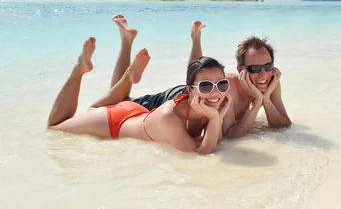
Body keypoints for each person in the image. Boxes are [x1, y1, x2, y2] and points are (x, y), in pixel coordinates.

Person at [108, 14, 291, 138]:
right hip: (178, 97)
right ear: (240, 68)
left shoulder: (270, 80)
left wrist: (265, 99)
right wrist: (256, 104)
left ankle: (195, 37)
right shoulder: (226, 85)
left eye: (268, 66)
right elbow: (230, 135)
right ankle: (126, 41)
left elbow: (283, 124)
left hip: (198, 90)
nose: (262, 74)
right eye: (254, 69)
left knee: (196, 76)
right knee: (117, 103)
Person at [46, 36, 232, 155]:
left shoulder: (208, 105)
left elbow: (216, 141)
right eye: (206, 86)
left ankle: (128, 76)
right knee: (54, 127)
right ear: (189, 89)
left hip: (137, 111)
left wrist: (218, 116)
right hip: (114, 122)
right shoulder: (170, 115)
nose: (216, 92)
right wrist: (216, 118)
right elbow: (200, 154)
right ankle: (79, 70)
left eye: (222, 84)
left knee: (93, 108)